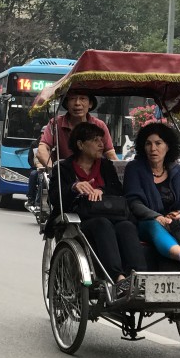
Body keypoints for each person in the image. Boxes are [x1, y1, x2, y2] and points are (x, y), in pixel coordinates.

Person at [46, 122, 146, 296]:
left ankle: (138, 277)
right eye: (95, 140)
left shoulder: (106, 166)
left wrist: (102, 190)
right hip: (79, 221)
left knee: (126, 226)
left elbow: (117, 191)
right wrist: (74, 187)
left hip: (111, 214)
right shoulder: (63, 168)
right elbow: (55, 197)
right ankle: (118, 278)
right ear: (80, 144)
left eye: (102, 140)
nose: (102, 144)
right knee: (102, 225)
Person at [124, 122, 180, 271]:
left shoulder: (177, 171)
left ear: (168, 146)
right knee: (155, 225)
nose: (153, 149)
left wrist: (179, 214)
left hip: (173, 223)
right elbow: (134, 202)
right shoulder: (135, 168)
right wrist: (157, 217)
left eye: (158, 143)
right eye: (148, 144)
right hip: (145, 222)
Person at [36, 92, 118, 167]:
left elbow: (110, 153)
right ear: (67, 104)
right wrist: (54, 171)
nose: (77, 103)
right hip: (64, 177)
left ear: (90, 104)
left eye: (82, 98)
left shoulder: (99, 125)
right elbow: (42, 150)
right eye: (72, 99)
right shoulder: (55, 124)